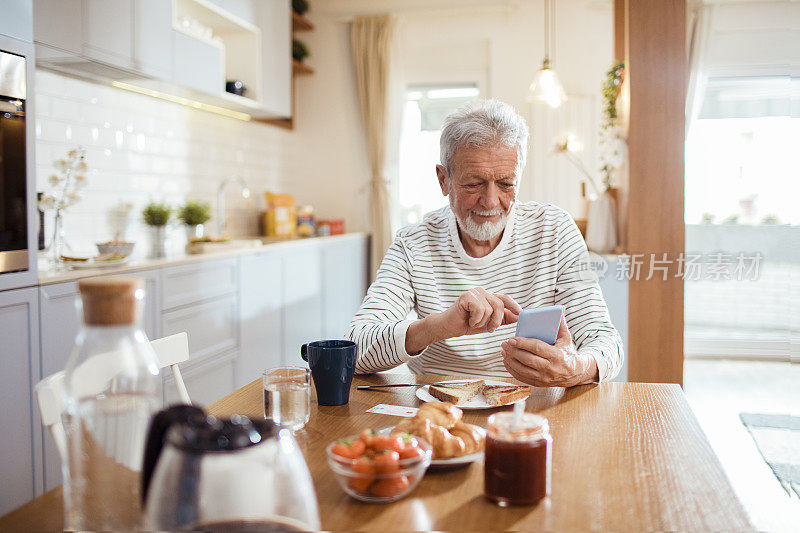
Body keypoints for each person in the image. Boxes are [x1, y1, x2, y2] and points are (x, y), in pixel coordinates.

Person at [345, 99, 623, 386]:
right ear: (444, 180)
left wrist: (576, 367)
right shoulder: (413, 244)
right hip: (442, 414)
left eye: (506, 183)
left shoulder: (555, 231)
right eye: (474, 184)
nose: (491, 202)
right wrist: (439, 327)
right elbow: (355, 349)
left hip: (531, 413)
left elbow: (606, 342)